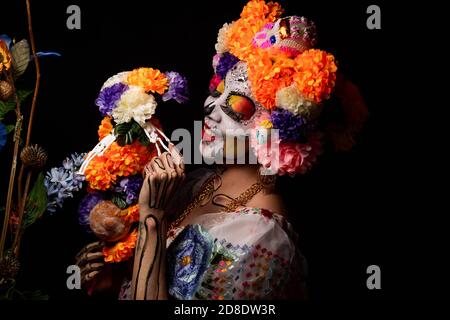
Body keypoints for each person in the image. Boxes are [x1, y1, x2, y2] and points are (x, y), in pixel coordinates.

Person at [76, 0, 367, 300]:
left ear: (277, 132)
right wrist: (116, 280)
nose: (210, 106)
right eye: (217, 92)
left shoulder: (262, 240)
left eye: (237, 104)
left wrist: (153, 216)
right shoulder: (197, 182)